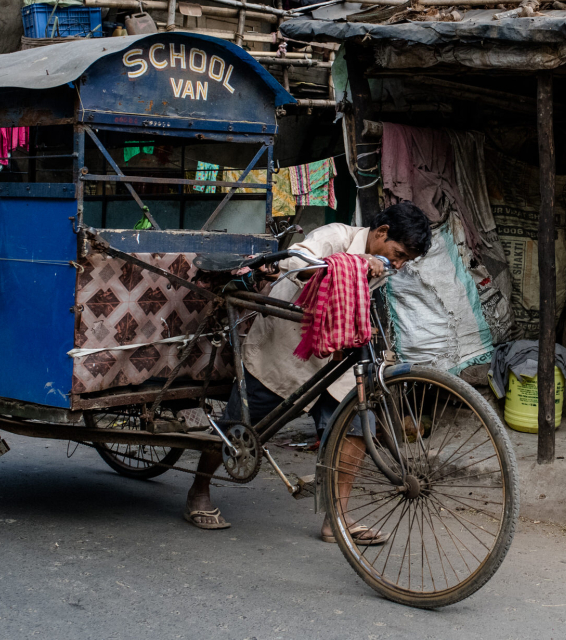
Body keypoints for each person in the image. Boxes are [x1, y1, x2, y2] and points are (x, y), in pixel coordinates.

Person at [183, 201, 432, 543]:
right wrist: (357, 263)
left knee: (358, 428)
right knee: (238, 427)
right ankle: (199, 489)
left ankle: (337, 520)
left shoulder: (384, 263)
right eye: (399, 254)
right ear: (382, 233)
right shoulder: (335, 236)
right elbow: (296, 263)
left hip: (335, 357)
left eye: (406, 261)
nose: (399, 265)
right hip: (287, 350)